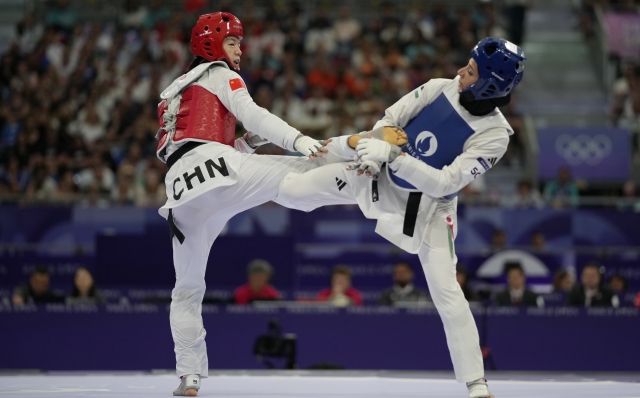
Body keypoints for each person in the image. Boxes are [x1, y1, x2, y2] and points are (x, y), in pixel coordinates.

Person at [277, 37, 527, 398]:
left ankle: (477, 383)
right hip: (376, 175)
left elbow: (445, 183)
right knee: (293, 192)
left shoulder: (495, 135)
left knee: (447, 291)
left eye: (470, 71)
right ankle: (254, 168)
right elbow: (392, 118)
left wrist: (394, 156)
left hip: (429, 210)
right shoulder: (442, 87)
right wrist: (378, 148)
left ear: (490, 84)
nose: (460, 72)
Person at [157, 12, 336, 397]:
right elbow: (252, 113)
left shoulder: (175, 90)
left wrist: (249, 143)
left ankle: (189, 376)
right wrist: (297, 138)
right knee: (299, 175)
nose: (241, 49)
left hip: (181, 193)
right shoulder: (219, 73)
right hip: (216, 171)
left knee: (186, 289)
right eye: (233, 41)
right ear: (211, 44)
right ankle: (372, 177)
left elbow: (192, 147)